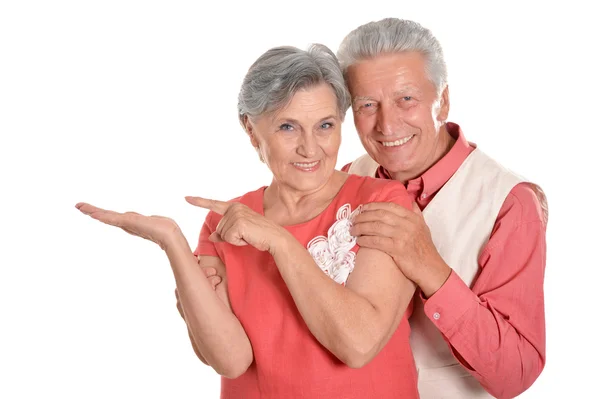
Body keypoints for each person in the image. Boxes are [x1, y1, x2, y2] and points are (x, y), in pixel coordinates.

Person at [76, 44, 421, 398]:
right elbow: (230, 359)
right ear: (252, 130)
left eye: (325, 126)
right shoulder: (224, 222)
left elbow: (358, 344)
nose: (310, 147)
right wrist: (173, 243)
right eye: (288, 127)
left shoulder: (381, 202)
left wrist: (280, 241)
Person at [335, 18, 549, 398]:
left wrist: (428, 267)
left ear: (443, 101)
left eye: (406, 99)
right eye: (368, 104)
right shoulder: (350, 176)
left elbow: (515, 374)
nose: (387, 124)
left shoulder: (510, 204)